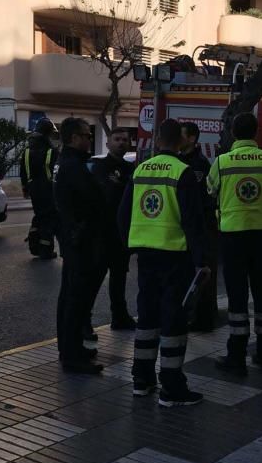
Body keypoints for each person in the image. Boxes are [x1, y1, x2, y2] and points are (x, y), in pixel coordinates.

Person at [118, 119, 208, 407]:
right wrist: (201, 261)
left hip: (145, 254)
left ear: (157, 141)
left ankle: (141, 380)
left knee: (146, 317)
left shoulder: (140, 170)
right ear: (181, 142)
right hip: (175, 256)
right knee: (173, 320)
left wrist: (128, 245)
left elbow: (123, 215)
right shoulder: (183, 172)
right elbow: (193, 221)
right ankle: (172, 387)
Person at [207, 113, 262, 375]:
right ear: (256, 132)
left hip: (233, 236)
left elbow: (210, 191)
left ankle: (236, 355)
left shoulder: (223, 162)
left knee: (238, 297)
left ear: (234, 134)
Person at [54, 117, 107, 374]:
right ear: (75, 138)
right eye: (86, 135)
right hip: (80, 240)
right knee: (75, 299)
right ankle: (71, 355)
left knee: (70, 297)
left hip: (74, 238)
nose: (89, 139)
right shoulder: (73, 166)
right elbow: (91, 200)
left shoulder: (68, 162)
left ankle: (70, 347)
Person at [90, 127, 137, 331]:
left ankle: (120, 315)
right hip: (102, 232)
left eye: (124, 140)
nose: (121, 143)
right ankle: (84, 321)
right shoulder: (100, 166)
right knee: (95, 279)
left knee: (119, 278)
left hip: (121, 235)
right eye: (116, 139)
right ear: (108, 143)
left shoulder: (131, 168)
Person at [179, 121, 219, 332]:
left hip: (202, 228)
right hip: (186, 229)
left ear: (192, 139)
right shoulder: (181, 161)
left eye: (182, 135)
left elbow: (203, 200)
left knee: (203, 276)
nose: (178, 138)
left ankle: (204, 320)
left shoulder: (199, 165)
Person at [20, 118, 58, 259]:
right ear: (48, 133)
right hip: (48, 190)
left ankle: (34, 245)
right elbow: (56, 172)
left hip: (33, 189)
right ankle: (45, 250)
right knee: (48, 219)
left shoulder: (28, 150)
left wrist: (25, 188)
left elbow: (23, 171)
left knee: (39, 217)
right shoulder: (51, 151)